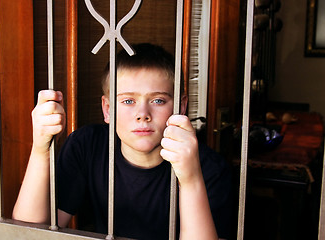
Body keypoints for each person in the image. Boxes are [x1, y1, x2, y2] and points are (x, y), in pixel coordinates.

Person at [13, 43, 232, 239]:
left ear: (181, 107)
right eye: (128, 101)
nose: (143, 114)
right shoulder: (87, 146)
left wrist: (191, 178)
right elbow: (28, 233)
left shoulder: (210, 167)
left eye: (158, 100)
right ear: (107, 109)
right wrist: (41, 148)